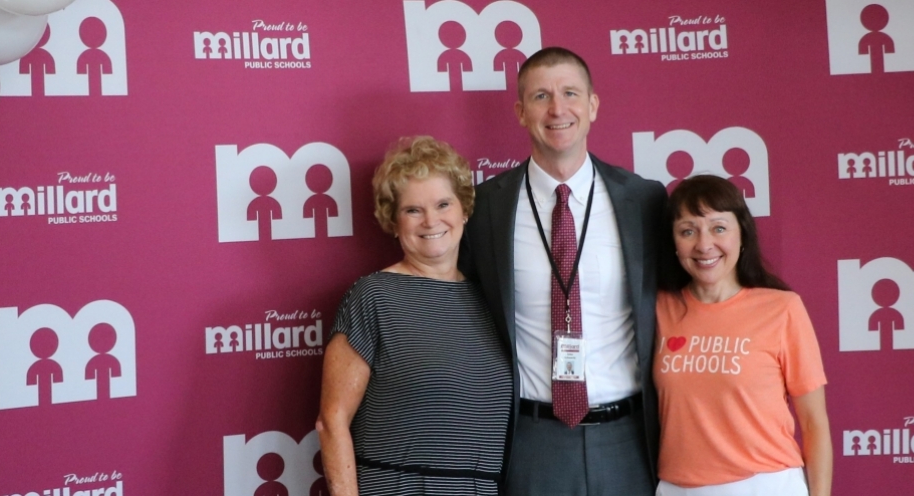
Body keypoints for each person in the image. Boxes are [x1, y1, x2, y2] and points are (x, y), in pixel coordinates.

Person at [458, 47, 670, 495]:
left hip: (630, 439)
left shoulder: (645, 201)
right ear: (520, 112)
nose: (557, 109)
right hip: (533, 440)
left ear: (592, 105)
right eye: (540, 96)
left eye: (570, 93)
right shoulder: (484, 209)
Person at [317, 137, 513, 495]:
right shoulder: (373, 296)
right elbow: (332, 421)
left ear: (464, 210)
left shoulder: (492, 299)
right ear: (393, 220)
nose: (431, 221)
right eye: (413, 210)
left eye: (442, 204)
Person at [654, 175, 831, 496]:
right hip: (677, 488)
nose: (704, 244)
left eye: (719, 228)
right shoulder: (658, 309)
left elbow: (814, 426)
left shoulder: (781, 309)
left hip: (766, 485)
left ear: (742, 235)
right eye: (688, 231)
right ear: (674, 243)